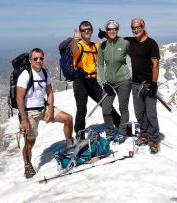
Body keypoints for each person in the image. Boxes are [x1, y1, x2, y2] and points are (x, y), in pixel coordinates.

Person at [16, 48, 73, 178]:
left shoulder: (44, 73)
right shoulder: (25, 75)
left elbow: (50, 92)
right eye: (35, 58)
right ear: (30, 60)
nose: (39, 61)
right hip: (29, 113)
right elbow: (19, 98)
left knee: (68, 118)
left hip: (44, 107)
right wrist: (24, 119)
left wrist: (51, 109)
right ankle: (27, 166)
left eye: (41, 58)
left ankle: (69, 145)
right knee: (30, 142)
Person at [71, 20, 121, 139]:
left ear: (92, 31)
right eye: (83, 30)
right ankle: (80, 136)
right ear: (81, 32)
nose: (86, 31)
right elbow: (73, 50)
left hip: (92, 82)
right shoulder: (78, 45)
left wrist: (107, 34)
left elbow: (112, 42)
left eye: (88, 29)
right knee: (81, 109)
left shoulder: (94, 46)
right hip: (80, 82)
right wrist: (74, 40)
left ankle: (121, 125)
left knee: (106, 104)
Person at [126, 18, 161, 154]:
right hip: (135, 84)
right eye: (133, 28)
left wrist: (154, 83)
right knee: (139, 112)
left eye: (138, 27)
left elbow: (156, 64)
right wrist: (105, 34)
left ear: (143, 26)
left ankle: (153, 139)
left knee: (151, 113)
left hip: (148, 84)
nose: (136, 30)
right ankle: (144, 135)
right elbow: (116, 37)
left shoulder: (151, 44)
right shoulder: (131, 41)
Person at [97, 20, 131, 143]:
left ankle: (122, 133)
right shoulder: (103, 46)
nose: (112, 31)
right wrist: (104, 82)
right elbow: (100, 65)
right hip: (108, 84)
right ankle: (110, 133)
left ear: (117, 30)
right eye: (109, 29)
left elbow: (135, 57)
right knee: (106, 110)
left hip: (123, 81)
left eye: (114, 29)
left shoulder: (124, 43)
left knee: (123, 108)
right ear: (106, 30)